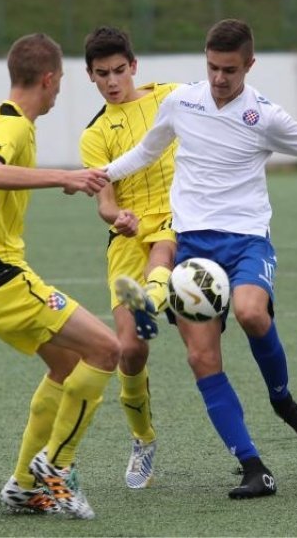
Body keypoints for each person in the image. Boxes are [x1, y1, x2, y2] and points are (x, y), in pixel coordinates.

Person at [103, 18, 297, 499]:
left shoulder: (265, 116)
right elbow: (144, 152)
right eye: (213, 67)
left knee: (249, 311)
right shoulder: (181, 103)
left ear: (250, 65)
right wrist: (97, 175)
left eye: (230, 70)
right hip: (193, 248)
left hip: (245, 243)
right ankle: (252, 466)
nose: (220, 78)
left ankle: (283, 401)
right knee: (202, 357)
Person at [0, 33, 119, 519]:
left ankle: (23, 486)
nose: (59, 91)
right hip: (2, 277)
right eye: (60, 82)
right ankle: (56, 466)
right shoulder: (11, 127)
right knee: (106, 349)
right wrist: (66, 176)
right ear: (50, 78)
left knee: (65, 369)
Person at [79, 25, 178, 489]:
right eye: (103, 74)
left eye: (120, 70)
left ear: (134, 66)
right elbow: (105, 202)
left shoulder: (173, 97)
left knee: (166, 244)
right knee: (130, 350)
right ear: (90, 77)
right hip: (128, 237)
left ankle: (151, 300)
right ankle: (143, 439)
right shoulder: (96, 135)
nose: (113, 80)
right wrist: (118, 219)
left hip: (181, 220)